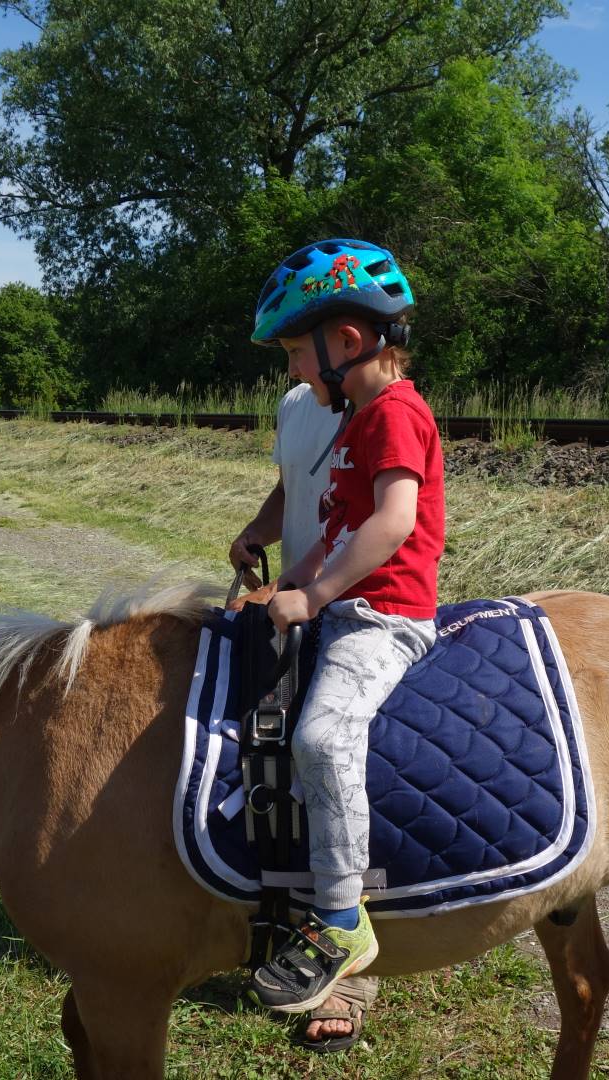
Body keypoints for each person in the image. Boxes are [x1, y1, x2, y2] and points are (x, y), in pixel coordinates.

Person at [238, 240, 446, 1027]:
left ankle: (340, 920)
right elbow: (335, 528)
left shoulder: (394, 415)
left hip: (382, 617)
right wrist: (291, 584)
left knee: (321, 739)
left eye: (295, 351)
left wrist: (318, 594)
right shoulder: (357, 420)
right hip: (343, 607)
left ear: (347, 342)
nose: (293, 369)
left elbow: (390, 525)